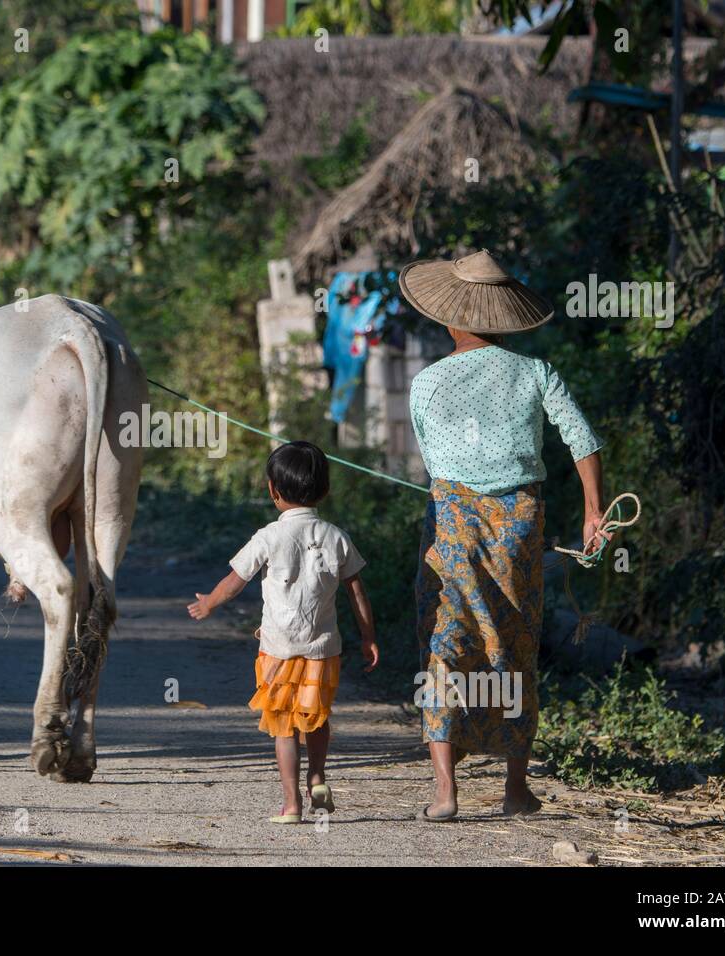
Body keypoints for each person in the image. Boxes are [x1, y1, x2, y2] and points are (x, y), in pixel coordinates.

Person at [400, 248, 609, 821]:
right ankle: (515, 789)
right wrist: (593, 513)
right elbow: (582, 439)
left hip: (449, 525)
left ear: (451, 318)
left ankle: (445, 790)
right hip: (518, 526)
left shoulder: (426, 384)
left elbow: (435, 462)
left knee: (444, 640)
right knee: (513, 640)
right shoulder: (537, 372)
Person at [187, 441, 379, 824]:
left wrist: (209, 602)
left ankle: (291, 805)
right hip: (323, 650)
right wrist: (368, 636)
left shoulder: (268, 537)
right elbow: (356, 590)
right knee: (317, 717)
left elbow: (235, 580)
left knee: (284, 726)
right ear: (324, 489)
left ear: (273, 491)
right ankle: (318, 777)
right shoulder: (336, 536)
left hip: (277, 649)